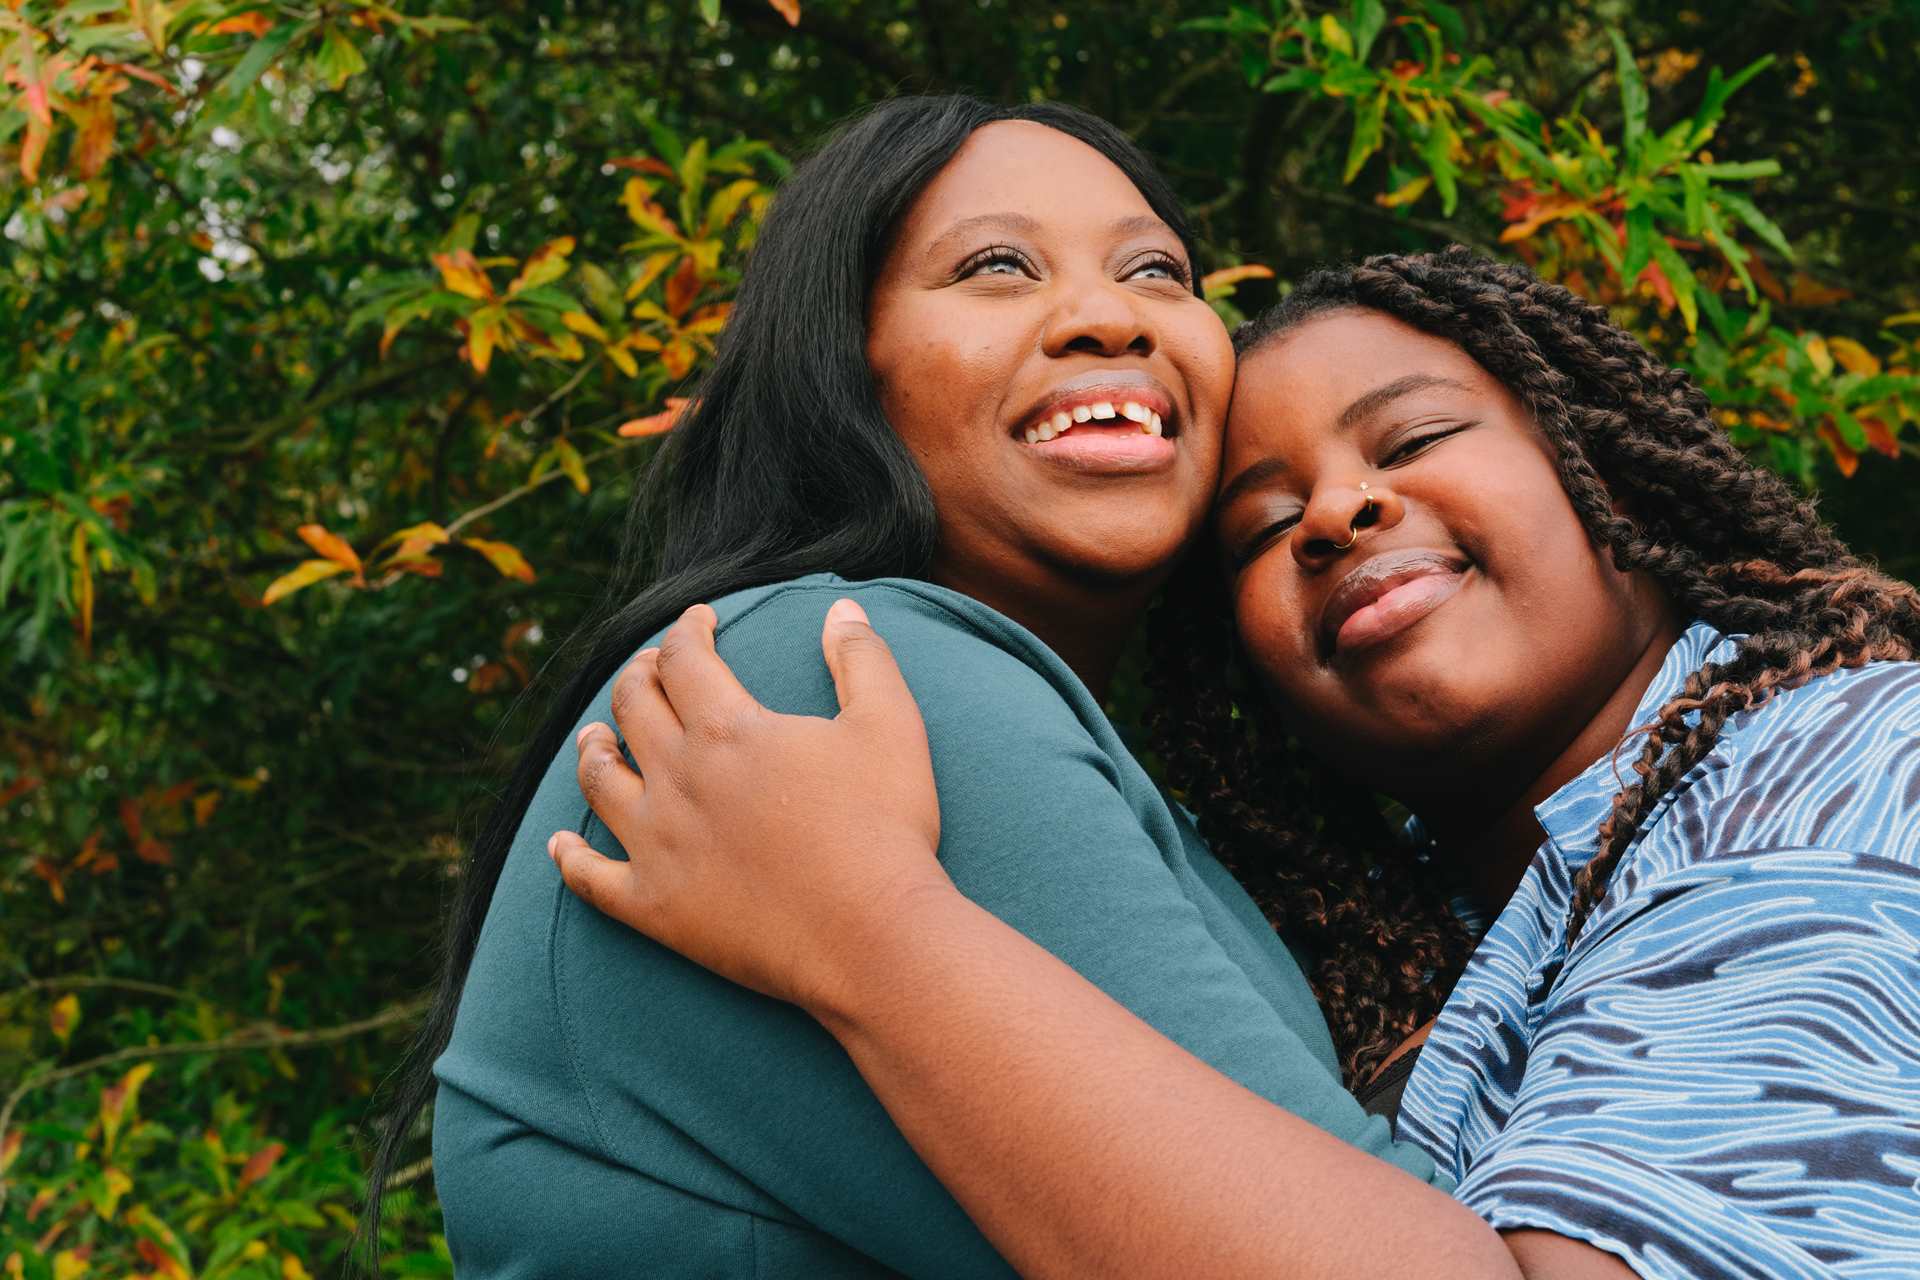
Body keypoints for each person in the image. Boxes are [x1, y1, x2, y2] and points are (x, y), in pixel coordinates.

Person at [550, 249, 1920, 1279]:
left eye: (1416, 438)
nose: (1336, 510)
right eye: (1261, 531)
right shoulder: (1437, 938)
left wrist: (867, 935)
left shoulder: (1842, 769)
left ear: (1612, 478)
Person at [365, 96, 1468, 1277]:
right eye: (997, 266)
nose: (1109, 316)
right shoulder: (840, 670)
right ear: (842, 361)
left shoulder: (1001, 722)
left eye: (1157, 270)